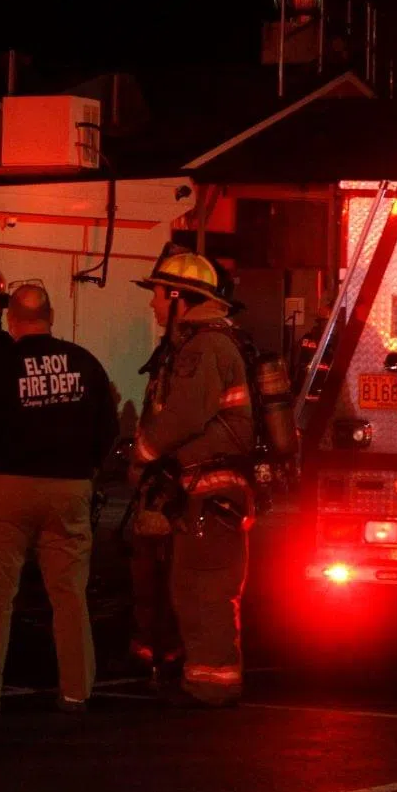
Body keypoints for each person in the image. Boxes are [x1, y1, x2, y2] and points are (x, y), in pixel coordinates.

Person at [0, 283, 119, 713]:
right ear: (52, 316)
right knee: (69, 594)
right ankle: (76, 690)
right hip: (69, 488)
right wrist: (88, 469)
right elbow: (108, 425)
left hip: (7, 488)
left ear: (11, 320)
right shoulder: (84, 363)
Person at [131, 251, 255, 707]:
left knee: (206, 590)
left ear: (178, 297)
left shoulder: (204, 348)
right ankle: (203, 681)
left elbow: (184, 415)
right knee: (192, 588)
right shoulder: (204, 344)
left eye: (158, 295)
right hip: (203, 494)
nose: (153, 304)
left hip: (211, 494)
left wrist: (142, 454)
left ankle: (212, 686)